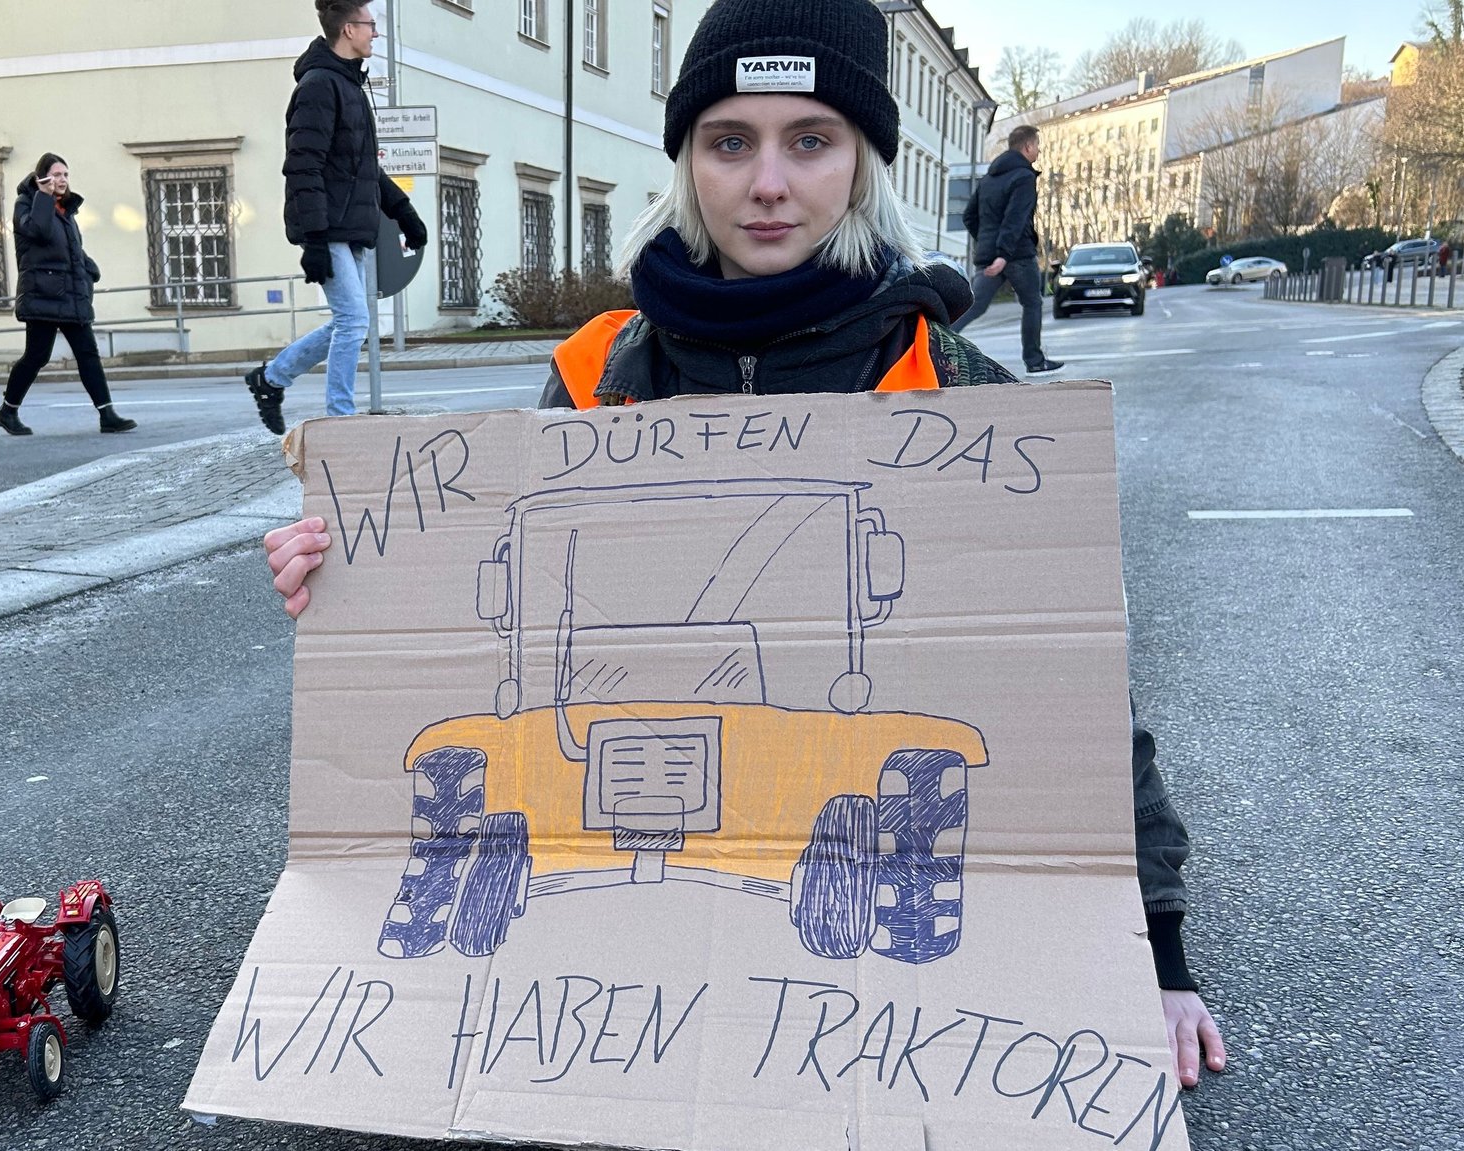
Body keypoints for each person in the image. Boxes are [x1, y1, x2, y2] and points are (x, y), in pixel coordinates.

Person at [260, 0, 1228, 1091]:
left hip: (831, 845)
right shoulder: (596, 376)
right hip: (595, 950)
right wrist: (350, 583)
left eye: (808, 139)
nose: (767, 183)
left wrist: (1150, 952)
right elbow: (453, 598)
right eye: (730, 142)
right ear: (688, 162)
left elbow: (1073, 685)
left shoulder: (955, 396)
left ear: (861, 161)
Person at [243, 0, 428, 435]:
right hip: (328, 228)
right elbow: (302, 166)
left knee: (349, 321)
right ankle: (339, 421)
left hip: (348, 226)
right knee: (353, 322)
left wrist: (404, 214)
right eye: (370, 26)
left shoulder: (349, 86)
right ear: (348, 29)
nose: (375, 34)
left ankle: (271, 379)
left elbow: (365, 169)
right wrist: (313, 240)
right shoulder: (318, 86)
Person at [0, 153, 136, 437]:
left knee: (88, 353)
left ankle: (107, 414)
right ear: (42, 177)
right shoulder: (27, 203)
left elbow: (72, 249)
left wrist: (89, 268)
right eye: (56, 175)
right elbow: (41, 231)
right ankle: (8, 411)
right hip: (43, 294)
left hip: (71, 294)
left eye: (66, 175)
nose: (62, 180)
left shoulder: (66, 211)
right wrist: (43, 197)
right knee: (37, 356)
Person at [951, 125, 1063, 376]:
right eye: (1037, 146)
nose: (1039, 150)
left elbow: (969, 216)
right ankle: (1034, 360)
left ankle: (931, 345)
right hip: (1017, 255)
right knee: (1032, 303)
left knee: (974, 305)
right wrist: (1003, 253)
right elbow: (1016, 218)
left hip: (991, 254)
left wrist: (987, 243)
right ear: (1027, 147)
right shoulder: (1024, 177)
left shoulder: (989, 178)